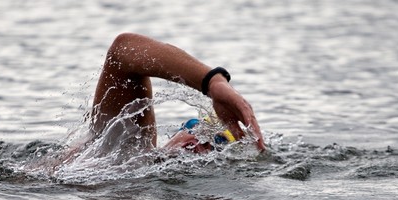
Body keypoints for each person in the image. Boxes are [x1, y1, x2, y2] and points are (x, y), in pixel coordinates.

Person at [88, 32, 266, 155]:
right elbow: (123, 50)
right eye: (195, 128)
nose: (202, 143)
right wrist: (213, 81)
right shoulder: (126, 143)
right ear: (176, 134)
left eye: (217, 145)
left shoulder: (136, 168)